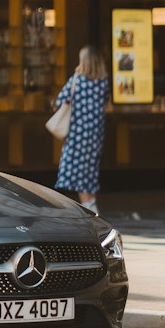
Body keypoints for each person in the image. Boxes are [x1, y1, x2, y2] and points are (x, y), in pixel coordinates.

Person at [52, 45, 110, 214]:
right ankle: (91, 205)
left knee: (78, 175)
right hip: (95, 136)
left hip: (77, 135)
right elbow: (105, 102)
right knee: (89, 172)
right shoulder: (103, 83)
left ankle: (91, 211)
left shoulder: (77, 80)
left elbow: (60, 101)